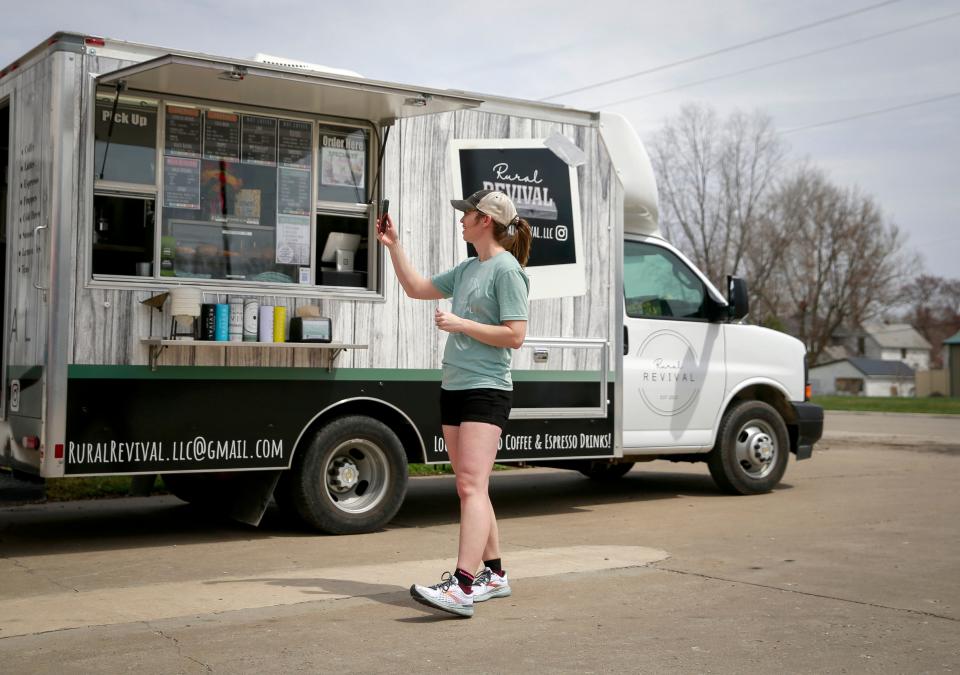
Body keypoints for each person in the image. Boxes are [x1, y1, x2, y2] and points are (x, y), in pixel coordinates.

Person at [377, 189, 532, 618]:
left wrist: (461, 323)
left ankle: (463, 586)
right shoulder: (467, 269)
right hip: (455, 385)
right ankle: (495, 574)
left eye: (467, 214)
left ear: (487, 221)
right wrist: (394, 246)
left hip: (487, 388)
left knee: (469, 485)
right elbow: (416, 288)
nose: (461, 219)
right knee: (472, 485)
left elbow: (515, 335)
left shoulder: (507, 271)